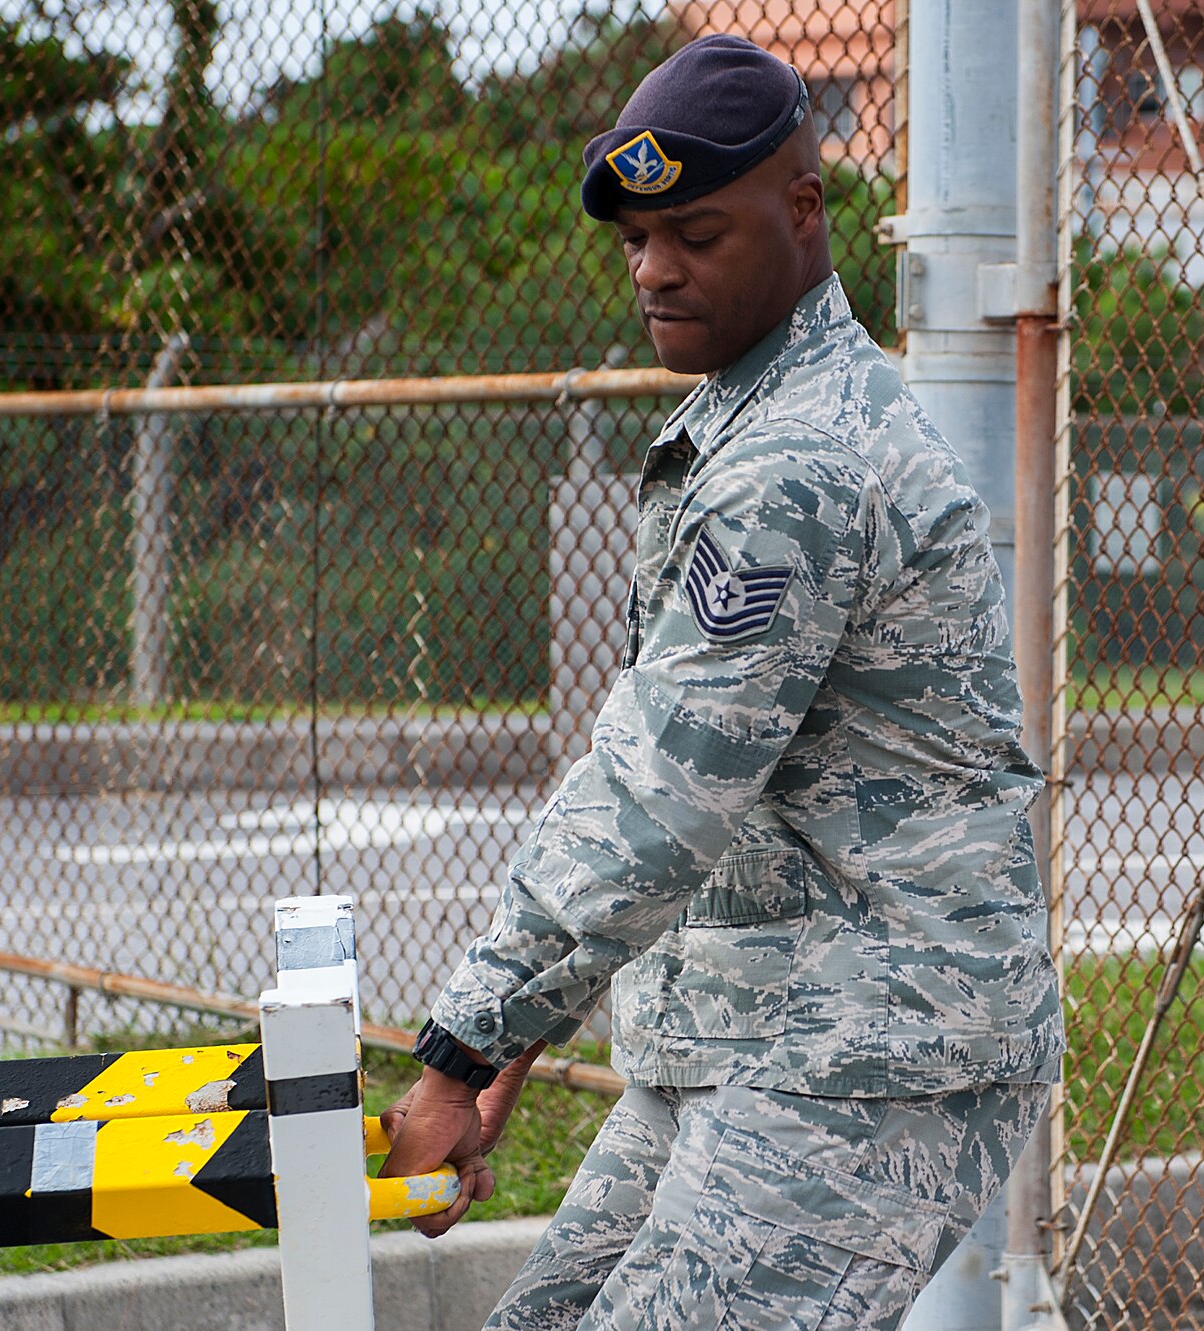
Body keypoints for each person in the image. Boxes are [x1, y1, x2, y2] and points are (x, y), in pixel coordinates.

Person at [382, 33, 1065, 1331]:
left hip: (876, 1043)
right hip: (750, 1029)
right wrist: (515, 1049)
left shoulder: (796, 466)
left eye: (695, 232)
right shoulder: (744, 428)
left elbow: (660, 794)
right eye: (637, 240)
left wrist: (462, 1047)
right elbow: (698, 798)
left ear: (803, 211)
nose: (654, 270)